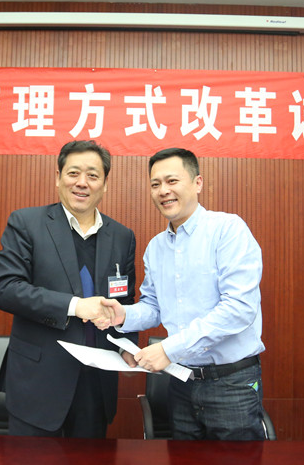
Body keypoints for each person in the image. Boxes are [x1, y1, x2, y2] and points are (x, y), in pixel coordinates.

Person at [100, 147, 267, 440]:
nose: (163, 191)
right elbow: (154, 306)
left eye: (172, 181)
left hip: (232, 383)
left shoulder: (228, 230)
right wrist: (123, 314)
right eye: (155, 184)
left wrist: (168, 350)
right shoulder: (156, 247)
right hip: (180, 381)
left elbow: (239, 309)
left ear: (197, 183)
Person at [0, 140, 137, 438]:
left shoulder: (123, 237)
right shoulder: (27, 223)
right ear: (58, 177)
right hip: (39, 382)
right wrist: (75, 306)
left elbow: (126, 302)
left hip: (96, 385)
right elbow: (6, 289)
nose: (82, 182)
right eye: (73, 173)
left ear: (105, 184)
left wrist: (128, 346)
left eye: (93, 175)